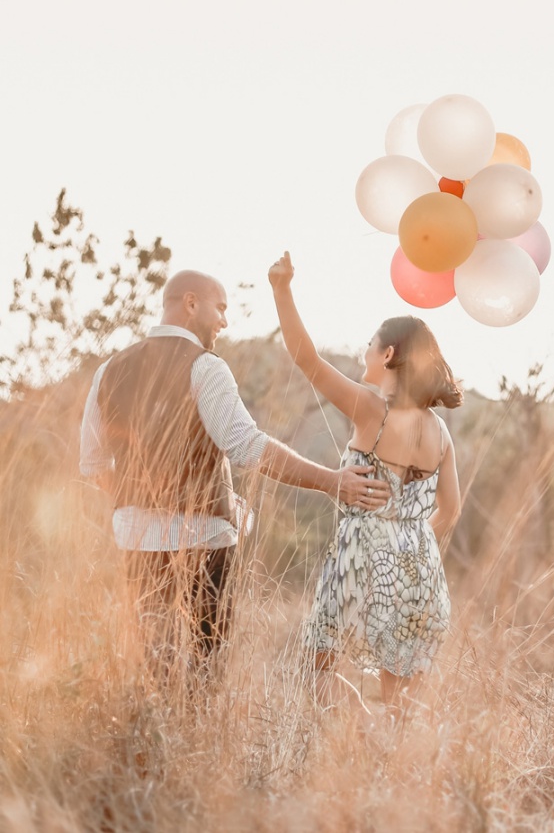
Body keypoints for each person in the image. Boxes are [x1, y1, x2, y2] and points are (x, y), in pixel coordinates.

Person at [79, 269, 389, 679]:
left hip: (134, 542)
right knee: (205, 672)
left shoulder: (109, 370)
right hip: (204, 546)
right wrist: (333, 482)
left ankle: (155, 742)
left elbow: (93, 465)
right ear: (191, 304)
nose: (224, 321)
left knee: (152, 670)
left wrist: (141, 506)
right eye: (220, 308)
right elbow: (247, 446)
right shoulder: (205, 366)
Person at [268, 251, 462, 718]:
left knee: (319, 668)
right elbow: (450, 511)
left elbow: (305, 359)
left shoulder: (372, 410)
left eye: (371, 346)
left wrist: (281, 289)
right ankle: (392, 762)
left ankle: (360, 741)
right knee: (402, 689)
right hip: (420, 570)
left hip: (360, 562)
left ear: (389, 354)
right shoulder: (440, 432)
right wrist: (407, 547)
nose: (365, 353)